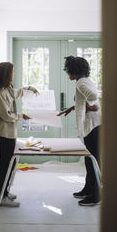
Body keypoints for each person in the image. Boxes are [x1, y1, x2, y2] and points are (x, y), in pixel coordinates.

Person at [0, 62, 38, 207]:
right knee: (6, 162)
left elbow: (16, 93)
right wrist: (22, 116)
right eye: (12, 72)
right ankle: (1, 195)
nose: (13, 74)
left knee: (9, 161)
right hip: (4, 132)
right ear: (6, 74)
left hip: (9, 131)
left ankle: (4, 192)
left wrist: (29, 89)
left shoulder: (6, 89)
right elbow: (7, 116)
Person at [57, 56, 101, 206]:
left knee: (93, 161)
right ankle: (88, 189)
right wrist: (73, 107)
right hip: (95, 125)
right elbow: (85, 100)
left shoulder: (81, 83)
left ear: (74, 70)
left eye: (68, 70)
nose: (67, 72)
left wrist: (90, 106)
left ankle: (95, 196)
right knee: (90, 160)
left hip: (93, 126)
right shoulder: (85, 81)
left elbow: (94, 97)